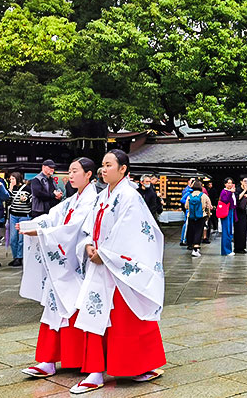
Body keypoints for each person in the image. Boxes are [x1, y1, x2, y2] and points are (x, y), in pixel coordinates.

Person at [69, 149, 166, 393]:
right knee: (95, 315)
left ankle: (137, 366)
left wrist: (107, 254)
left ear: (123, 169)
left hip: (117, 267)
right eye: (103, 165)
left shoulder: (130, 196)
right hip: (100, 263)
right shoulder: (104, 197)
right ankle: (95, 370)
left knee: (125, 318)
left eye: (109, 165)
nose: (104, 169)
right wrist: (89, 243)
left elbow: (130, 232)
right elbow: (92, 224)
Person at [18, 158, 99, 383]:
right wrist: (32, 226)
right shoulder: (72, 200)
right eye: (69, 172)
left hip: (79, 264)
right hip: (63, 261)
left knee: (78, 309)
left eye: (75, 172)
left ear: (89, 174)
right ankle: (49, 360)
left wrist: (43, 234)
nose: (69, 176)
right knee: (55, 309)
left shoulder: (93, 200)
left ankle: (80, 360)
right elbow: (53, 216)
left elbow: (74, 229)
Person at [8, 172, 32, 267]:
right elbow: (7, 200)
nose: (11, 181)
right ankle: (15, 257)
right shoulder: (11, 189)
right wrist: (10, 189)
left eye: (13, 179)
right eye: (10, 179)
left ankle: (20, 257)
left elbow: (30, 201)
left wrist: (25, 199)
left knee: (21, 239)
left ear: (18, 179)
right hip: (13, 215)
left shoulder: (27, 188)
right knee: (13, 238)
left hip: (24, 215)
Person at [185, 180, 212, 257]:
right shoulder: (204, 196)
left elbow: (186, 206)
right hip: (201, 216)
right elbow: (209, 206)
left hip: (191, 216)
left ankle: (191, 245)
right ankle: (196, 249)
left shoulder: (189, 196)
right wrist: (208, 214)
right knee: (199, 231)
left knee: (192, 231)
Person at [220, 177, 237, 256]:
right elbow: (225, 200)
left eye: (231, 183)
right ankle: (226, 250)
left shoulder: (231, 192)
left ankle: (228, 250)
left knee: (230, 231)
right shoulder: (224, 192)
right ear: (225, 184)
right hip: (226, 212)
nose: (230, 184)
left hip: (231, 212)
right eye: (228, 183)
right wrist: (230, 192)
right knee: (226, 231)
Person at [233, 178, 247, 254]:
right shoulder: (238, 189)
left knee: (244, 230)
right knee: (238, 230)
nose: (246, 183)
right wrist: (244, 191)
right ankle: (237, 247)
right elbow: (237, 198)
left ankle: (242, 247)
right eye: (244, 181)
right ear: (241, 182)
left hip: (244, 212)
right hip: (238, 212)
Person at [179, 178, 194, 246]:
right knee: (186, 224)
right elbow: (182, 200)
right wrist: (189, 203)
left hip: (190, 210)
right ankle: (184, 239)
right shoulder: (188, 191)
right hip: (189, 210)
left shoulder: (190, 190)